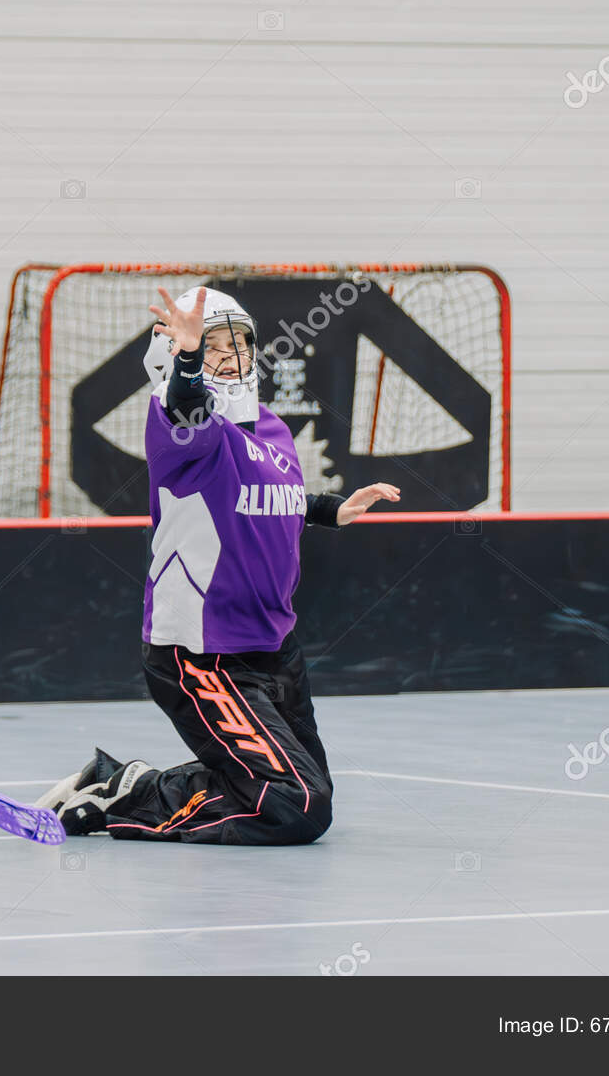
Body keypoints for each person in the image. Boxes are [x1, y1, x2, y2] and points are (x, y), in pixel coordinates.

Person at [38, 285, 400, 843]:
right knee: (296, 805)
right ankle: (128, 796)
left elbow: (261, 501)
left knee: (306, 789)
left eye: (240, 343)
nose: (231, 355)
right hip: (204, 655)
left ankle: (117, 782)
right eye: (213, 346)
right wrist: (187, 360)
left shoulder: (275, 429)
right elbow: (188, 403)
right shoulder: (182, 428)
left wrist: (333, 510)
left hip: (274, 648)